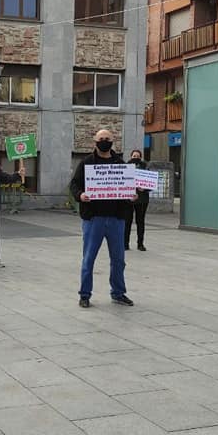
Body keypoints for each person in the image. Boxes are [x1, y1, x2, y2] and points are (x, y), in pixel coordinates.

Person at [69, 129, 135, 309]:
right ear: (95, 141)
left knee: (119, 259)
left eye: (107, 139)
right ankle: (84, 294)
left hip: (116, 219)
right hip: (93, 219)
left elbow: (128, 188)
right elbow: (74, 184)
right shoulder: (86, 163)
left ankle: (118, 292)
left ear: (113, 142)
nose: (104, 141)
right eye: (101, 139)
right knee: (89, 258)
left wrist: (131, 196)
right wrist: (80, 195)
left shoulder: (120, 164)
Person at [125, 149, 150, 252]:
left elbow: (150, 183)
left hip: (142, 199)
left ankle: (140, 244)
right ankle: (125, 244)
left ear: (141, 157)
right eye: (134, 156)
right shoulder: (125, 167)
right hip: (128, 199)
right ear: (131, 156)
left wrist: (144, 188)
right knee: (127, 222)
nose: (136, 157)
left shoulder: (145, 167)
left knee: (140, 222)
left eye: (138, 156)